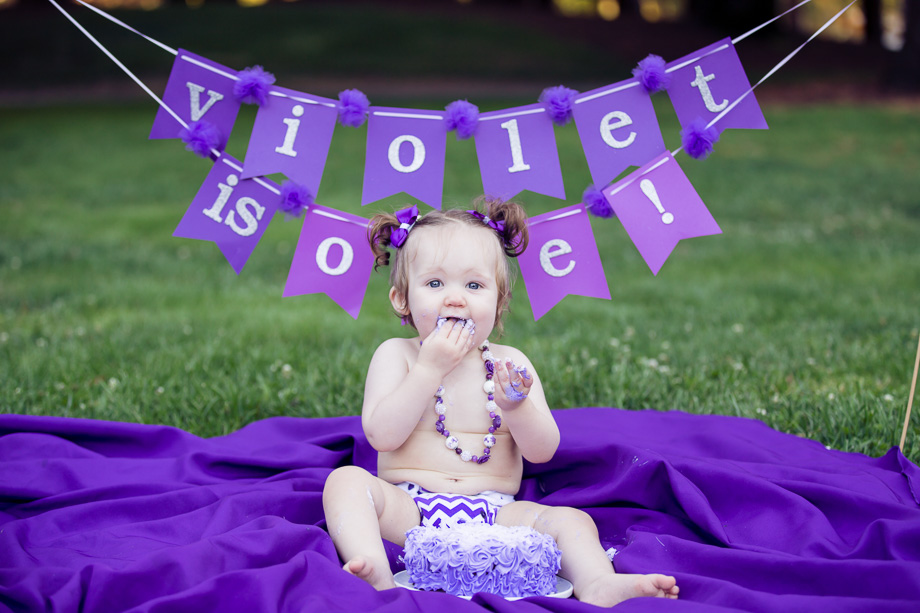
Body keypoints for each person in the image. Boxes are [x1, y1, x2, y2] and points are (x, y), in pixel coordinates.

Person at [322, 197, 679, 606]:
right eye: (435, 284)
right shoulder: (397, 355)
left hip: (496, 512)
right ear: (402, 299)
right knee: (345, 483)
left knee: (570, 520)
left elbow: (543, 451)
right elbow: (382, 435)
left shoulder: (511, 364)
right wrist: (428, 371)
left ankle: (598, 582)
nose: (455, 298)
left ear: (499, 301)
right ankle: (377, 574)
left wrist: (517, 409)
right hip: (411, 510)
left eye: (473, 285)